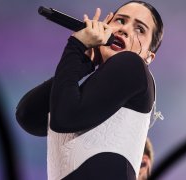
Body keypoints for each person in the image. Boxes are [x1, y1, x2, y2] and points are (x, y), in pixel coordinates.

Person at [15, 1, 164, 179]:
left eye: (140, 29)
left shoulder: (133, 65)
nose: (124, 30)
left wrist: (76, 46)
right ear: (105, 25)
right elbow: (29, 116)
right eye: (120, 21)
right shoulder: (87, 93)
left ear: (149, 56)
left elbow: (65, 118)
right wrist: (84, 64)